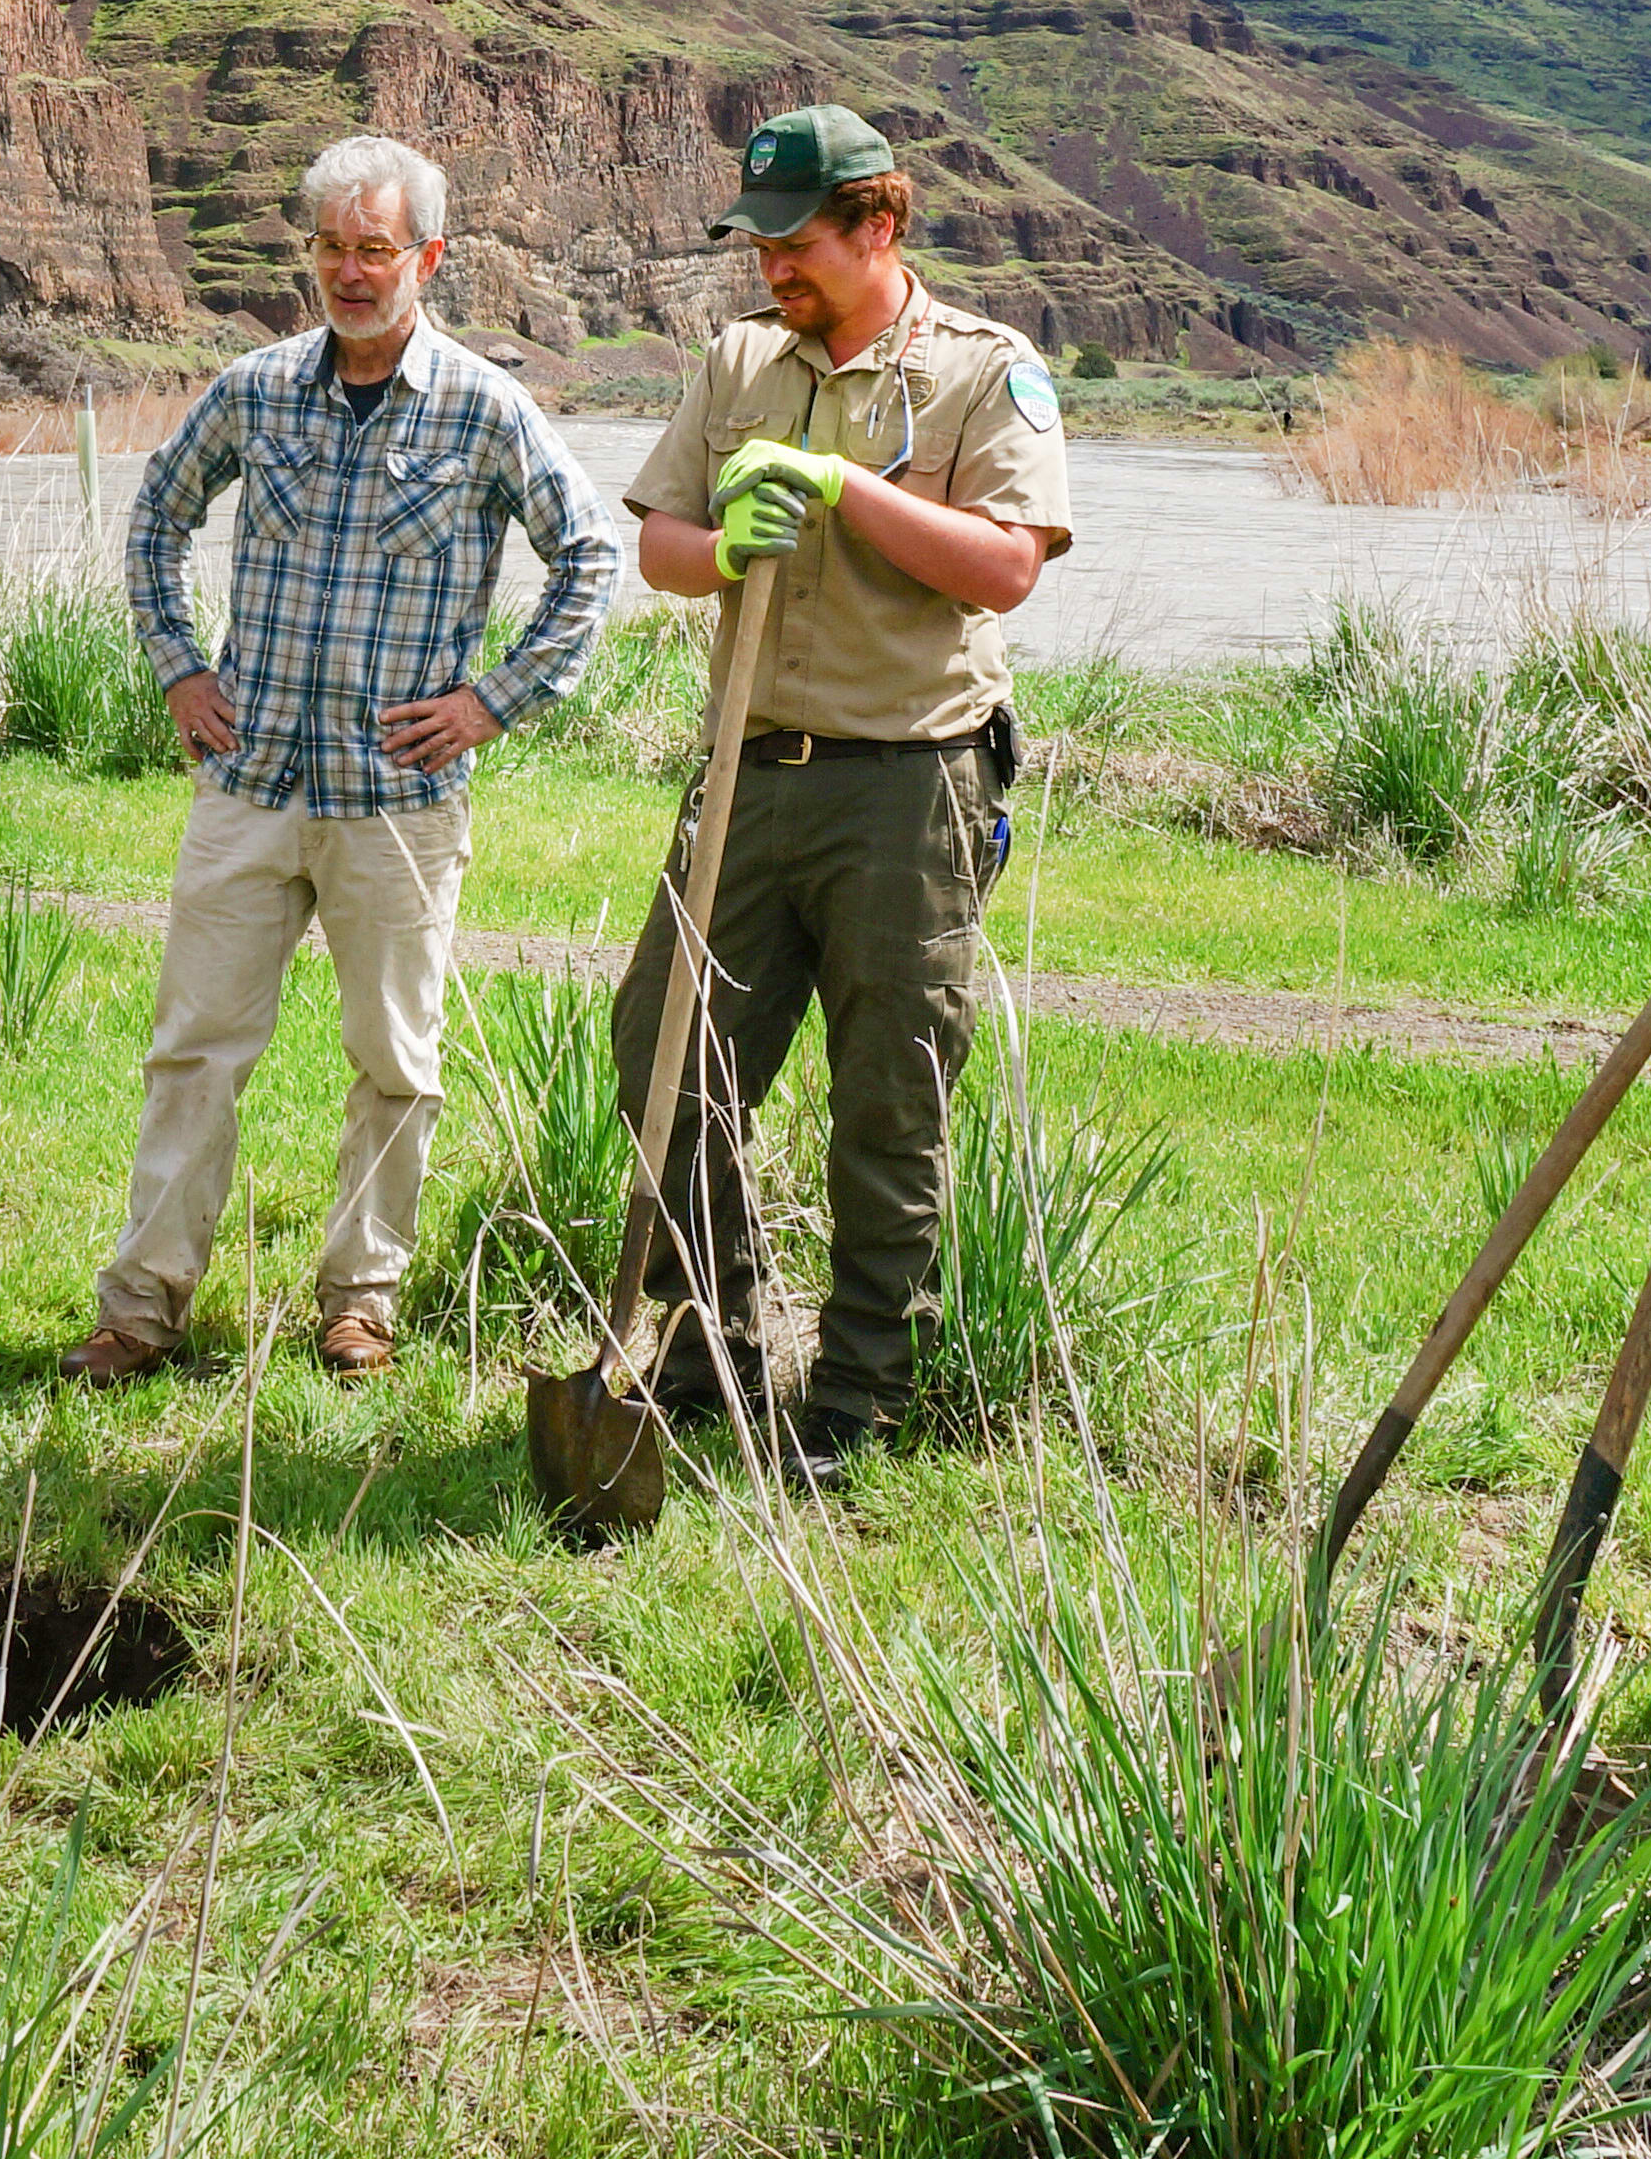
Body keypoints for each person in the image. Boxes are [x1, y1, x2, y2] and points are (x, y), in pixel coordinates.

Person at [63, 135, 622, 1385]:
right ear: (308, 255)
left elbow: (589, 559)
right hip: (249, 783)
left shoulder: (483, 407)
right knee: (194, 1049)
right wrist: (177, 664)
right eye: (331, 248)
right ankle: (140, 1313)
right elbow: (156, 515)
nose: (351, 274)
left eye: (377, 250)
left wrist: (490, 701)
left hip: (396, 803)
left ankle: (359, 1304)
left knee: (395, 1063)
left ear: (427, 257)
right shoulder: (254, 390)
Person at [609, 106, 1071, 1488]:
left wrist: (834, 489)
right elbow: (664, 552)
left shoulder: (991, 372)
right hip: (749, 774)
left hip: (907, 789)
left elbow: (1005, 568)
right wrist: (719, 543)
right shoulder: (740, 359)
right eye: (755, 242)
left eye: (795, 242)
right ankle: (714, 1356)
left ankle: (865, 1394)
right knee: (666, 1055)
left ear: (879, 225)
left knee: (891, 1093)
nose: (771, 270)